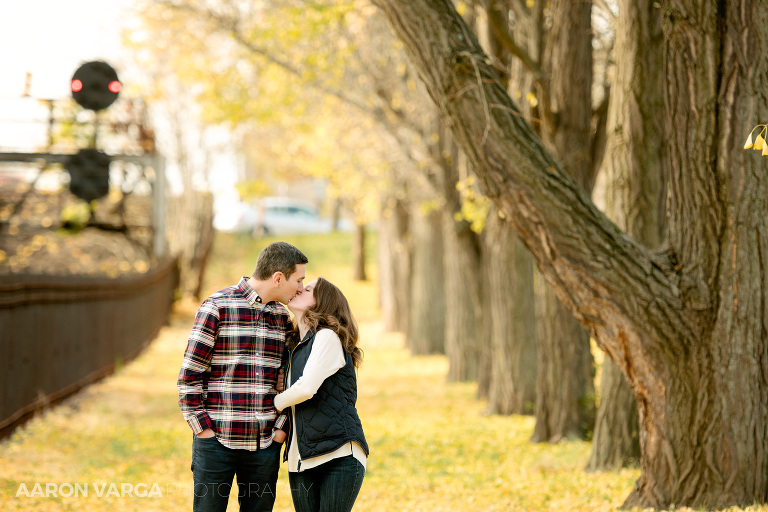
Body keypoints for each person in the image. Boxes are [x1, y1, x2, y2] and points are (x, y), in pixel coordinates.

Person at [178, 241, 308, 512]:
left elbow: (287, 381)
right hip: (216, 442)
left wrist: (280, 431)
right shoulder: (217, 307)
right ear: (278, 277)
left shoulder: (283, 319)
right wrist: (203, 430)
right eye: (299, 280)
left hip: (264, 445)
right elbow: (190, 375)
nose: (300, 287)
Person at [274, 277, 369, 512]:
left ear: (322, 302)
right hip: (300, 459)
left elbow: (306, 388)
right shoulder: (296, 346)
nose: (298, 290)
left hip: (337, 454)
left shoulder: (327, 336)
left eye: (307, 289)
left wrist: (274, 402)